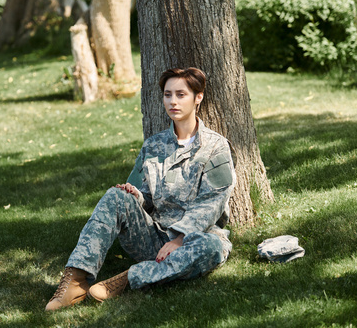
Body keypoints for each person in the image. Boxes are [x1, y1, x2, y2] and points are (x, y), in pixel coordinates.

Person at [45, 67, 236, 311]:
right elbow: (145, 194)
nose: (173, 102)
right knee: (116, 196)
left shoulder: (215, 146)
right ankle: (75, 279)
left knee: (210, 249)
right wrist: (135, 195)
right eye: (168, 95)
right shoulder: (153, 145)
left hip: (195, 239)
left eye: (181, 94)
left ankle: (128, 278)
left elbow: (213, 201)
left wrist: (180, 238)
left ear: (198, 98)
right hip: (154, 236)